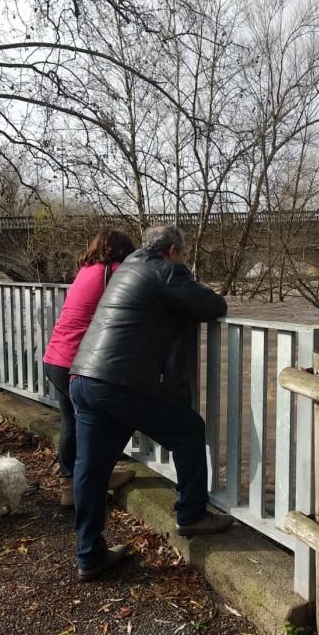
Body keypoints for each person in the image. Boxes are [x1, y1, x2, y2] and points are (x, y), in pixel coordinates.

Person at [68, 225, 233, 581]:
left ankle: (89, 554)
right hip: (118, 382)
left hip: (83, 376)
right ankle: (191, 515)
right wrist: (185, 277)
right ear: (172, 250)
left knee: (91, 470)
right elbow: (212, 305)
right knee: (189, 430)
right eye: (183, 255)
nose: (183, 260)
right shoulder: (166, 271)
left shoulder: (125, 269)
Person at [43, 228, 137, 508]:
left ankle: (70, 484)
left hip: (55, 357)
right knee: (110, 418)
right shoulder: (117, 270)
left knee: (71, 423)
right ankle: (91, 479)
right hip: (77, 361)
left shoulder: (86, 270)